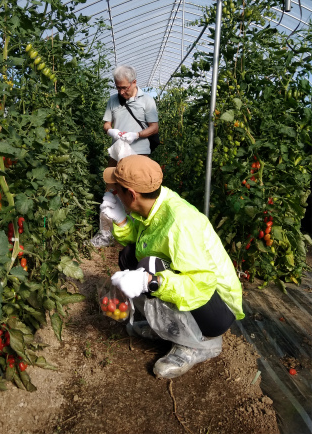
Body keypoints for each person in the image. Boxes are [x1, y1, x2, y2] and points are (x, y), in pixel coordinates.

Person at [100, 155, 245, 379]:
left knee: (148, 267)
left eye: (117, 190)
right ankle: (167, 329)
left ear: (132, 194)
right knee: (129, 256)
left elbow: (201, 284)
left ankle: (196, 344)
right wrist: (121, 221)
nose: (114, 194)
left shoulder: (180, 222)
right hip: (201, 292)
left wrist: (150, 281)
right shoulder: (153, 206)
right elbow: (141, 243)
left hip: (217, 308)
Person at [91, 65, 159, 248]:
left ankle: (140, 236)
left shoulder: (147, 101)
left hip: (140, 153)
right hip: (116, 151)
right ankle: (105, 234)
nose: (121, 91)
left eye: (124, 87)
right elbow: (106, 124)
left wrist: (137, 135)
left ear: (134, 82)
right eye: (118, 87)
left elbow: (154, 127)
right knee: (110, 189)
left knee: (136, 192)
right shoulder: (113, 101)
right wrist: (112, 131)